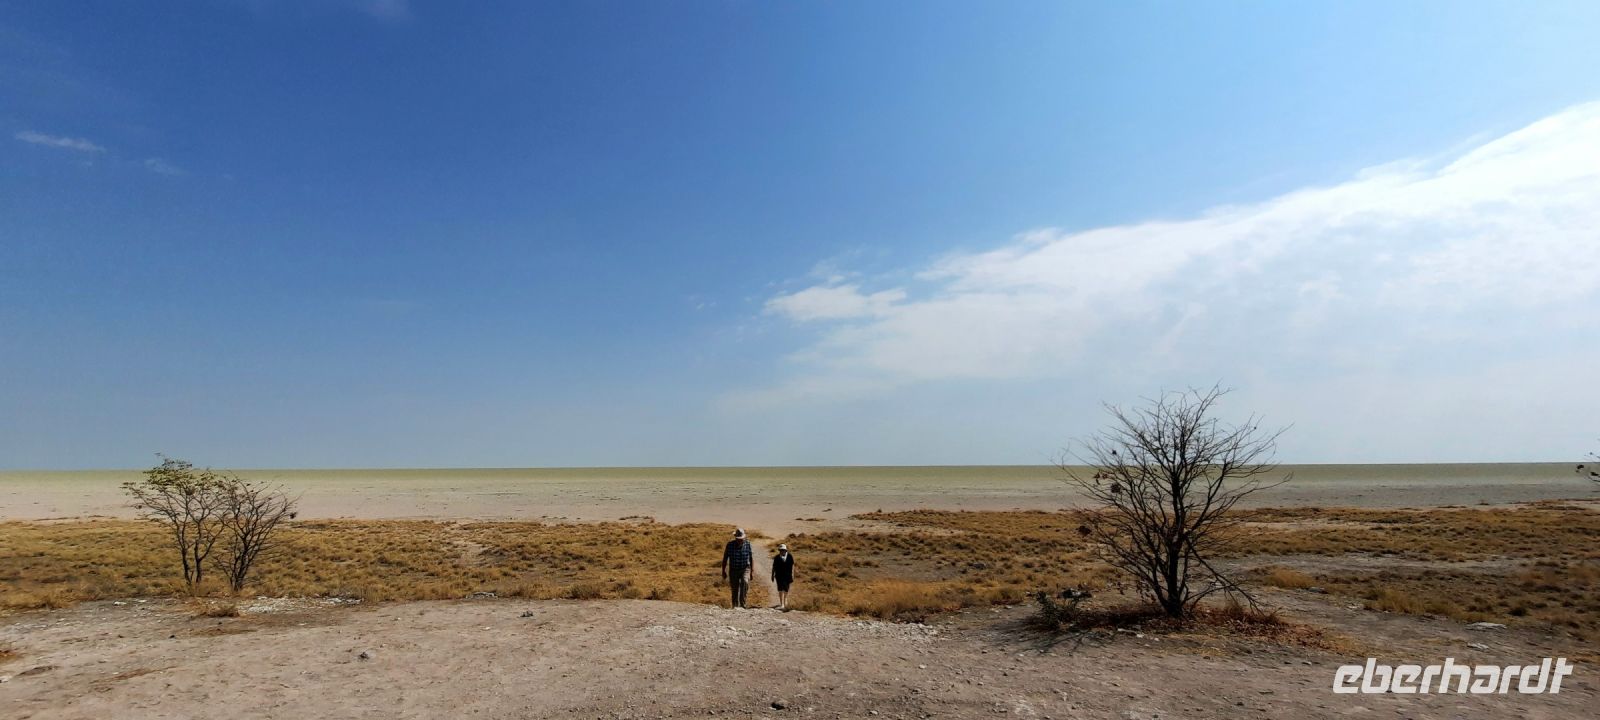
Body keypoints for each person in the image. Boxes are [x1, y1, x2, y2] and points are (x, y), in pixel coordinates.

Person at [721, 528, 753, 609]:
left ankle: (743, 605)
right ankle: (735, 606)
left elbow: (751, 558)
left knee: (745, 582)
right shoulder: (730, 545)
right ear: (735, 538)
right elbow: (725, 558)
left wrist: (751, 571)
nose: (740, 540)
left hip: (745, 568)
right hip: (733, 569)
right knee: (735, 588)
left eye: (741, 539)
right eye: (738, 539)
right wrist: (723, 571)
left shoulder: (748, 544)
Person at [770, 543, 795, 610]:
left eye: (783, 550)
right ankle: (782, 604)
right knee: (780, 589)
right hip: (779, 576)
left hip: (787, 575)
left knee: (786, 589)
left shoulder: (790, 556)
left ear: (786, 550)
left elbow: (792, 565)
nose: (782, 551)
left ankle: (785, 601)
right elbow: (774, 567)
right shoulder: (777, 557)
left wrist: (792, 574)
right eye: (781, 550)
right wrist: (772, 575)